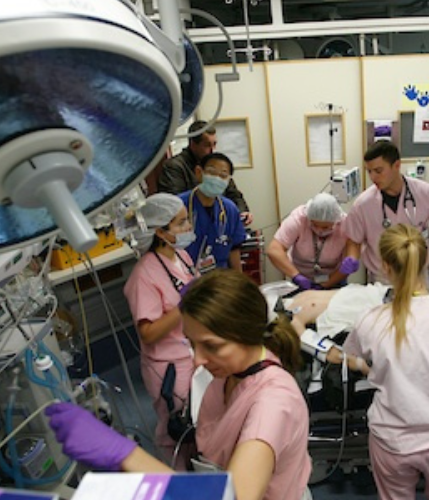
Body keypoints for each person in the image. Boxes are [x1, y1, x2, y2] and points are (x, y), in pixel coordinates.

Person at [46, 270, 311, 500]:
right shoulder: (233, 372)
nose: (198, 359)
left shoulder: (274, 403)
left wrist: (124, 454)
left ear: (249, 334)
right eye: (191, 343)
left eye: (212, 346)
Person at [326, 223, 429, 500]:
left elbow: (353, 357)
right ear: (427, 259)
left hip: (393, 444)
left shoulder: (370, 320)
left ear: (385, 266)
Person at [122, 193, 198, 468]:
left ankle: (199, 469)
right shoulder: (144, 275)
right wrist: (183, 304)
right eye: (180, 223)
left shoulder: (182, 255)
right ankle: (176, 482)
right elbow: (149, 333)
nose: (188, 227)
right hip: (168, 365)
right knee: (173, 430)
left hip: (192, 351)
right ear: (160, 231)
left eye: (186, 220)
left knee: (196, 421)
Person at [342, 141, 429, 289]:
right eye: (369, 171)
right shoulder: (362, 205)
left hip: (418, 277)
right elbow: (354, 241)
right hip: (382, 280)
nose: (373, 177)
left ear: (396, 165)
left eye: (378, 171)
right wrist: (352, 258)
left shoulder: (426, 193)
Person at [158, 120, 253, 225]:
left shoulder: (216, 163)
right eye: (207, 145)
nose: (212, 150)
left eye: (214, 144)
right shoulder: (175, 166)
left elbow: (233, 193)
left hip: (220, 221)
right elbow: (175, 204)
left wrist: (242, 211)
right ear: (193, 144)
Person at [267, 193, 356, 290]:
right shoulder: (298, 219)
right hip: (301, 277)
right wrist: (295, 275)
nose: (320, 230)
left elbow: (353, 252)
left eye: (325, 227)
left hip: (334, 279)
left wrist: (327, 284)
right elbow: (274, 250)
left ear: (335, 221)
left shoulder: (345, 224)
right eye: (314, 225)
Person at [179, 152, 247, 274]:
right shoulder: (179, 206)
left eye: (223, 175)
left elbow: (234, 249)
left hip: (219, 279)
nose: (217, 178)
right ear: (199, 172)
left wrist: (240, 282)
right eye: (211, 172)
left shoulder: (229, 209)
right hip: (185, 277)